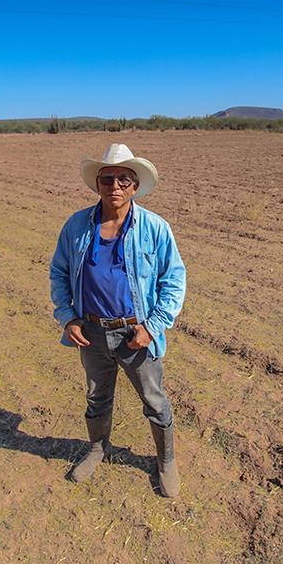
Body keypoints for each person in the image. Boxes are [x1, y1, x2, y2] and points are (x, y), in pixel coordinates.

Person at [49, 143, 186, 497]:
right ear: (97, 183)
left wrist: (152, 327)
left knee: (154, 401)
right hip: (91, 331)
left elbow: (174, 281)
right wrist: (68, 318)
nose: (115, 187)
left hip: (136, 333)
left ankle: (165, 461)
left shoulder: (154, 228)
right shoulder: (77, 225)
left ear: (134, 185)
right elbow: (59, 274)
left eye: (123, 180)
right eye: (107, 179)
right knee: (96, 397)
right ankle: (98, 448)